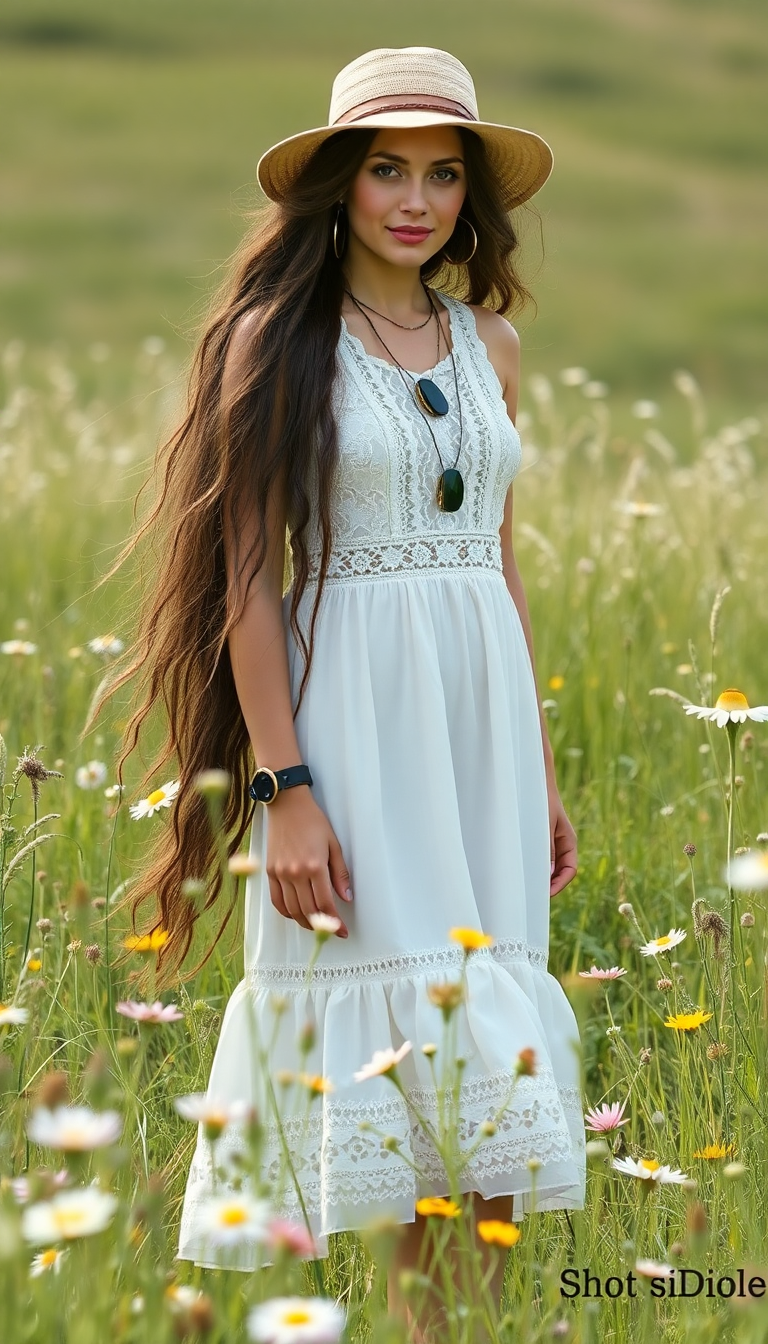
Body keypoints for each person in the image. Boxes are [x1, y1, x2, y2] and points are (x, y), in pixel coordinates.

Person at [97, 43, 586, 1340]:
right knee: (405, 1066)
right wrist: (286, 787)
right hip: (355, 723)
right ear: (339, 186)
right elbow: (245, 579)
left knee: (485, 1073)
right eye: (387, 169)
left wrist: (536, 767)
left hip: (476, 728)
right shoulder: (276, 344)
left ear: (470, 198)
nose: (415, 199)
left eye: (441, 173)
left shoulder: (494, 346)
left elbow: (502, 561)